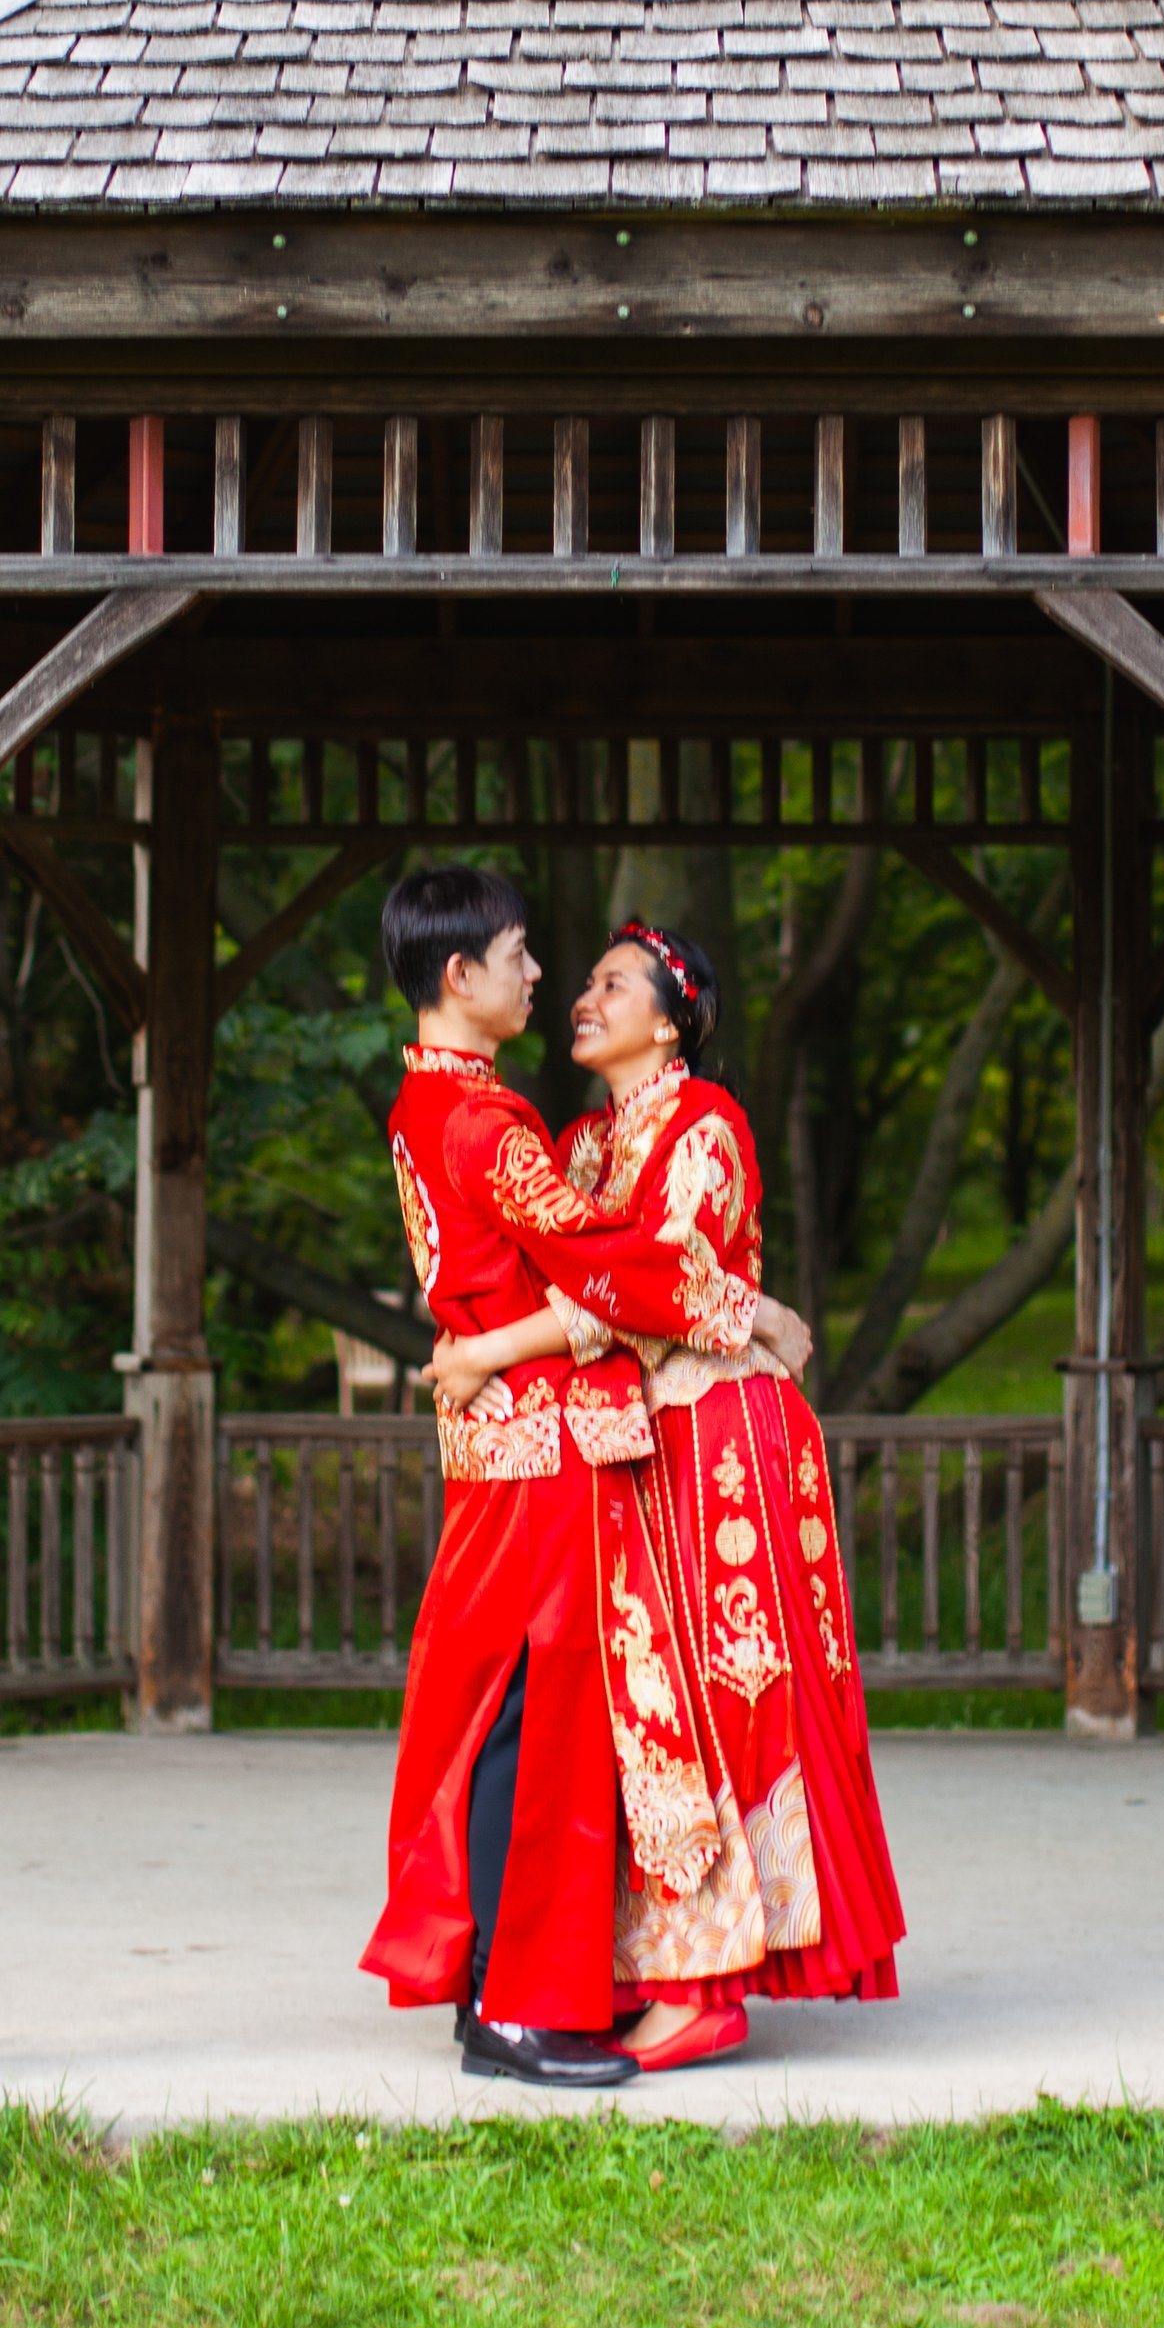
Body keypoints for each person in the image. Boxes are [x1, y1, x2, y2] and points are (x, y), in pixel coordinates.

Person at [359, 866, 812, 2087]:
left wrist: (480, 1345)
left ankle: (492, 1991)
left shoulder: (425, 1107)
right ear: (461, 976)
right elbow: (609, 1260)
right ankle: (518, 2008)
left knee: (501, 1718)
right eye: (518, 954)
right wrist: (745, 1305)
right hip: (550, 1444)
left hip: (506, 1436)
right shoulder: (491, 1127)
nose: (539, 975)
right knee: (540, 1733)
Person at [428, 919, 903, 2065]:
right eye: (579, 982)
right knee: (642, 1715)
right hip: (632, 1437)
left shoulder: (709, 1123)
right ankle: (637, 1962)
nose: (579, 998)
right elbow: (556, 1270)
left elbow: (655, 1291)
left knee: (723, 1698)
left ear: (671, 1017)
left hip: (718, 1436)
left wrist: (496, 1353)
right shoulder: (585, 1141)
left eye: (608, 984)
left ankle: (710, 1984)